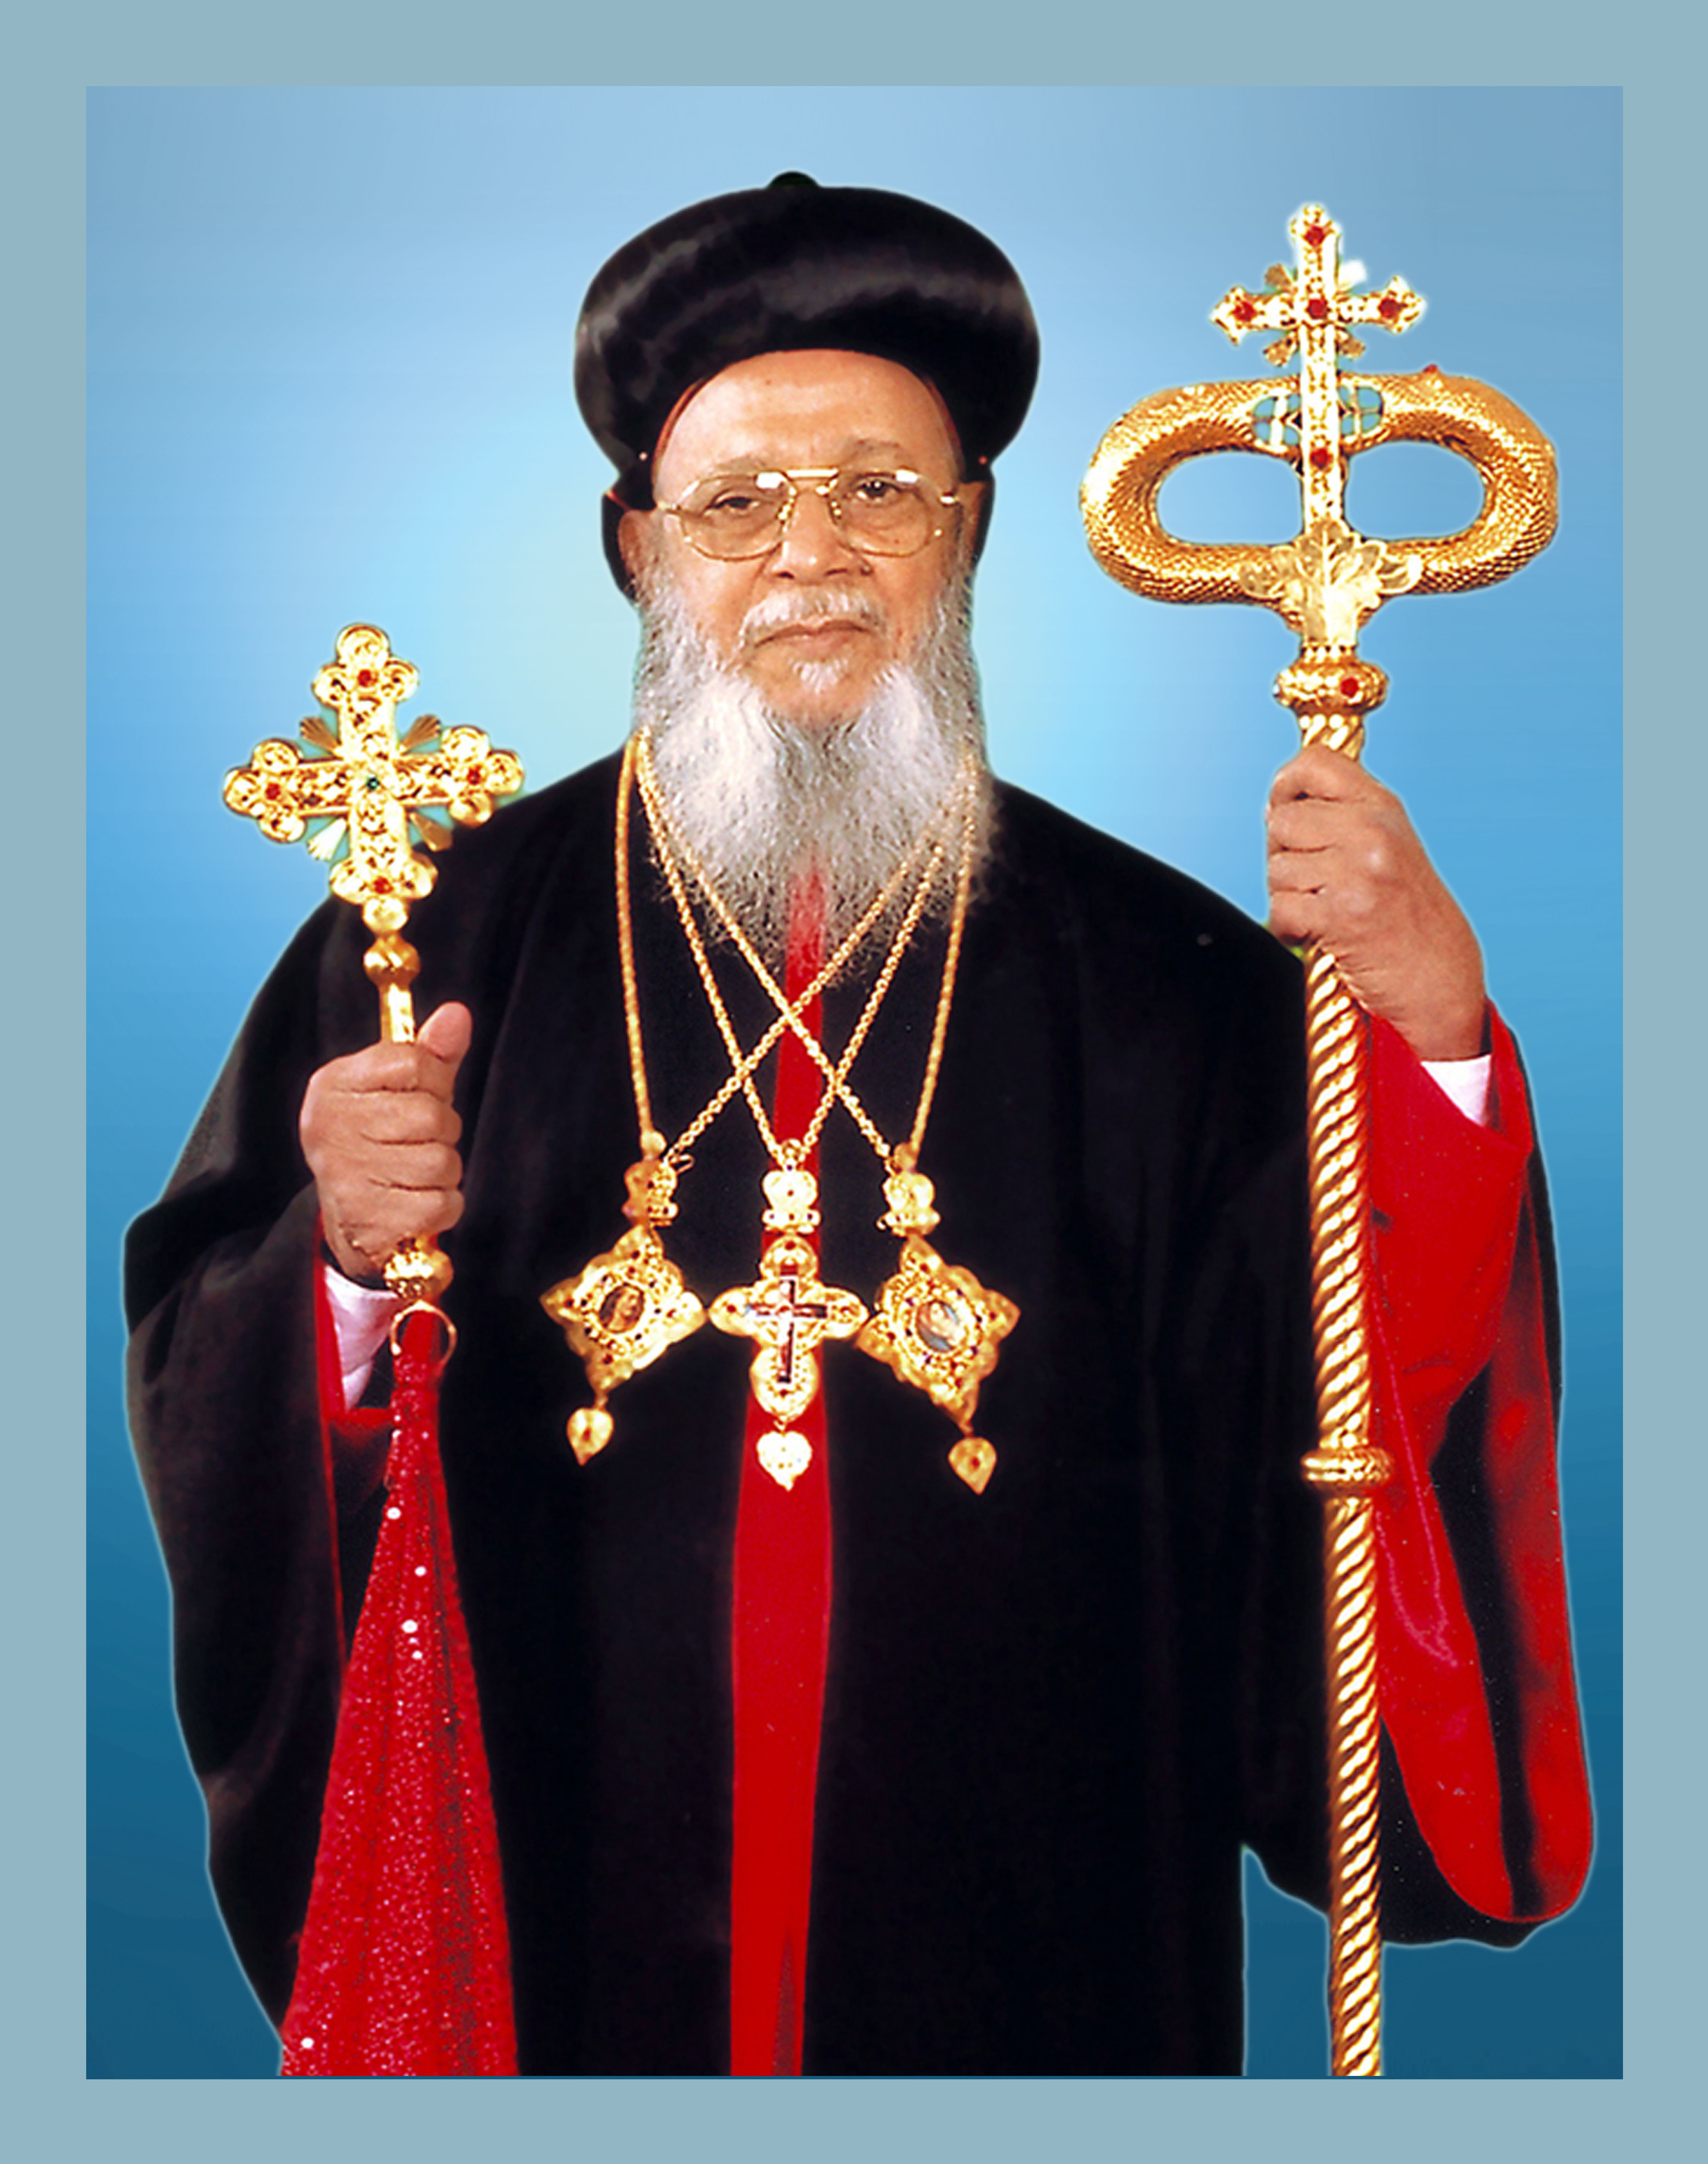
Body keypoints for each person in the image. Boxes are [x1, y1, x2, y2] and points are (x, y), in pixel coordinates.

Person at [125, 178, 1590, 2077]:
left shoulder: (1167, 979)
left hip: (1037, 1939)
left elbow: (1346, 1406)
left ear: (965, 529)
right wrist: (334, 1261)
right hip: (564, 1907)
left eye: (879, 493)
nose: (809, 555)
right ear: (639, 548)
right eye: (737, 504)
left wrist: (1435, 1037)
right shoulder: (432, 932)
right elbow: (214, 1373)